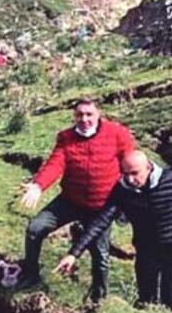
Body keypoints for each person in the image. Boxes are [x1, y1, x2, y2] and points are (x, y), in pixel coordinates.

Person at [17, 98, 134, 299]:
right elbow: (55, 164)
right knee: (35, 228)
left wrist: (128, 197)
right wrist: (38, 186)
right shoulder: (66, 137)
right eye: (80, 115)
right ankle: (31, 273)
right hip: (70, 200)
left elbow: (130, 160)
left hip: (101, 206)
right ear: (74, 116)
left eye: (89, 114)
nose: (84, 119)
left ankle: (99, 296)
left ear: (98, 115)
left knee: (100, 254)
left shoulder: (117, 133)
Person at [56, 150, 172, 309]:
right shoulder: (122, 190)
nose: (130, 179)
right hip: (146, 249)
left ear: (148, 167)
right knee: (146, 299)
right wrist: (73, 254)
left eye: (135, 173)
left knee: (171, 299)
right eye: (125, 173)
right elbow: (101, 220)